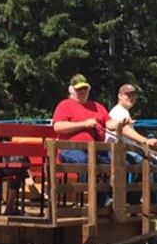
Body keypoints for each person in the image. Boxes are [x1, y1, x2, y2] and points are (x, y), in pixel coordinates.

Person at [52, 74, 129, 206]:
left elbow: (109, 124)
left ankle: (125, 199)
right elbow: (58, 127)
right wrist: (84, 124)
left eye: (85, 89)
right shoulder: (64, 105)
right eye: (79, 89)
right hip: (69, 149)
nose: (82, 92)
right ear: (72, 90)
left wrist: (120, 123)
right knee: (86, 161)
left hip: (95, 149)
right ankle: (100, 200)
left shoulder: (97, 106)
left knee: (119, 159)